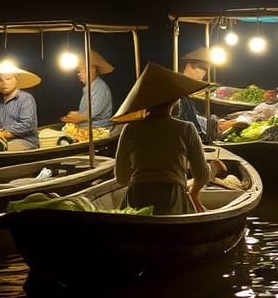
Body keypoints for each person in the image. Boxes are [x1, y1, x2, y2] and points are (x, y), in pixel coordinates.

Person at [111, 61, 228, 214]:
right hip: (173, 199)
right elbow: (202, 175)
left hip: (137, 200)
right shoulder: (186, 128)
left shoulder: (130, 129)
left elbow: (121, 178)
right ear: (174, 100)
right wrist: (194, 191)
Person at [176, 47, 221, 142]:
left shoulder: (186, 96)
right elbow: (182, 124)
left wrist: (215, 123)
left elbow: (193, 118)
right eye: (202, 68)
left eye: (206, 70)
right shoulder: (177, 93)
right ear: (188, 66)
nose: (203, 74)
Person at [61, 49, 114, 128]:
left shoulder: (100, 88)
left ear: (92, 71)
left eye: (82, 70)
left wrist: (77, 118)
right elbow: (85, 112)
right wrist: (75, 114)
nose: (79, 74)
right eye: (78, 71)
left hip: (98, 129)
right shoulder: (89, 87)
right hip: (86, 126)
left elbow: (91, 113)